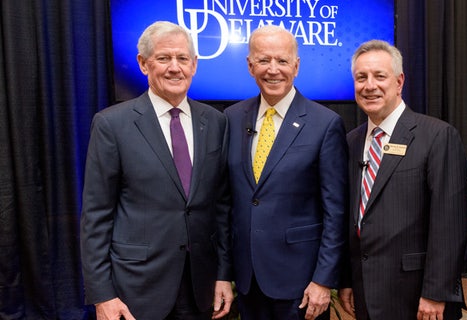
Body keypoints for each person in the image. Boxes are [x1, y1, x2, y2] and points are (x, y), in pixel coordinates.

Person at [80, 21, 234, 320]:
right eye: (164, 58)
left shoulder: (215, 122)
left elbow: (221, 207)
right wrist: (103, 295)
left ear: (194, 65)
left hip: (200, 286)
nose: (174, 68)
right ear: (143, 64)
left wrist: (223, 274)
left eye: (182, 58)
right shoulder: (112, 124)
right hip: (136, 288)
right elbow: (96, 215)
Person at [338, 40, 467, 320]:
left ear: (399, 82)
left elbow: (450, 222)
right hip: (366, 289)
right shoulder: (350, 142)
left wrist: (436, 292)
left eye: (379, 76)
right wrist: (347, 279)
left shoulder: (437, 136)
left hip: (418, 295)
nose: (369, 85)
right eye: (361, 77)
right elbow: (352, 219)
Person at [223, 25, 348, 320]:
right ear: (250, 65)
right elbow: (225, 202)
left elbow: (336, 212)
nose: (273, 70)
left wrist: (323, 280)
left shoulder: (325, 123)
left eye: (282, 60)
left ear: (296, 65)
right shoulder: (230, 118)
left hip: (301, 283)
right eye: (264, 60)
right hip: (248, 280)